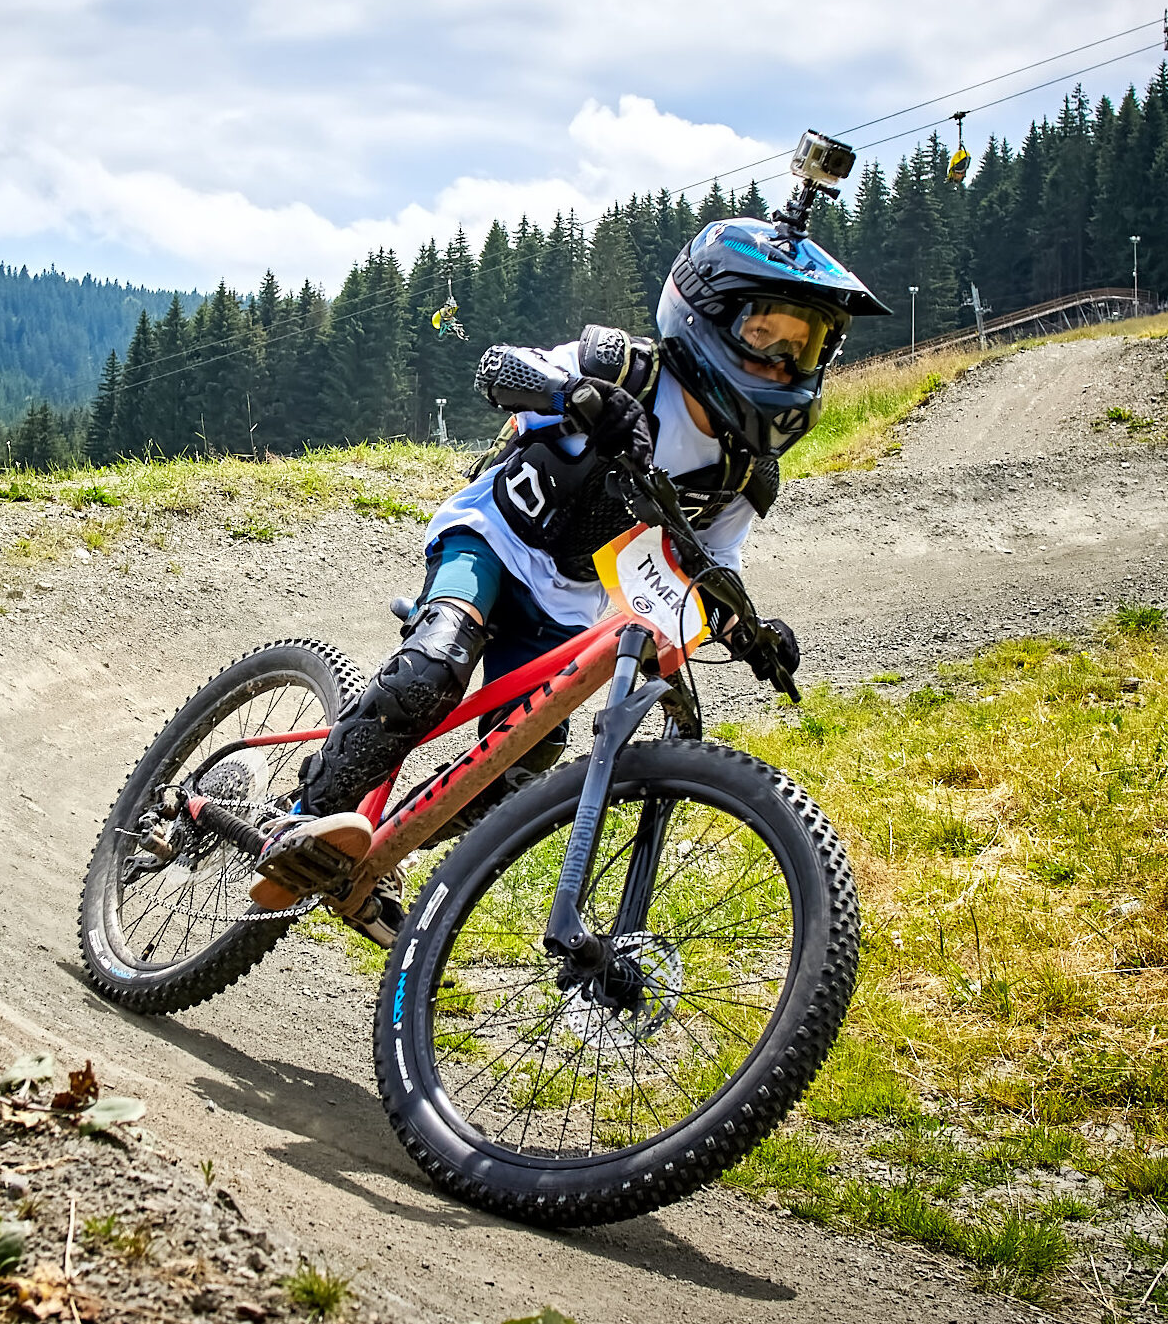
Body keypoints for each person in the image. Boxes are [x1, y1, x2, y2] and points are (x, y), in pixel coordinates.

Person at [256, 212, 890, 945]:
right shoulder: (623, 367)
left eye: (802, 346)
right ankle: (296, 824)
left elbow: (712, 562)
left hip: (566, 609)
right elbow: (499, 368)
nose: (782, 361)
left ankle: (376, 853)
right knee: (431, 669)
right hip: (491, 541)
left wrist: (748, 628)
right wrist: (576, 395)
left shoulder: (746, 472)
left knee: (519, 764)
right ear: (707, 314)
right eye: (764, 334)